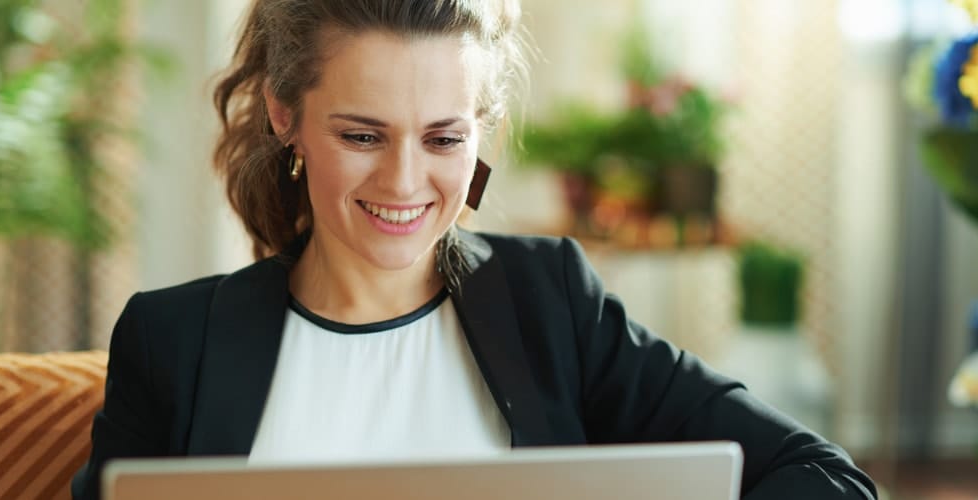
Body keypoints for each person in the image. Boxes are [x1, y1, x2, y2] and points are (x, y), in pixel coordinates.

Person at [72, 1, 877, 499]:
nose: (405, 181)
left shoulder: (550, 302)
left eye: (444, 138)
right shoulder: (171, 340)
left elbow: (826, 478)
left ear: (481, 128)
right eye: (361, 134)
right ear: (286, 115)